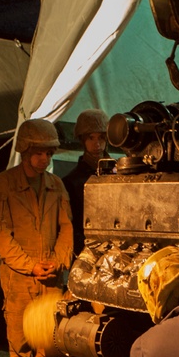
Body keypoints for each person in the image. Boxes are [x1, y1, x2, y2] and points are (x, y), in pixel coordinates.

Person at [0, 119, 73, 357]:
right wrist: (28, 265)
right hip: (18, 279)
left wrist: (58, 261)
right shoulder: (2, 183)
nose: (44, 158)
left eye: (48, 153)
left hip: (51, 277)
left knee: (51, 344)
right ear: (25, 150)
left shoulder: (56, 185)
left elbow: (66, 227)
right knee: (20, 345)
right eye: (38, 152)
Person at [62, 108, 109, 254]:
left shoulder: (119, 172)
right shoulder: (72, 182)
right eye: (91, 138)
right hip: (87, 251)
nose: (97, 144)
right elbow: (71, 226)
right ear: (82, 140)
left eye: (101, 138)